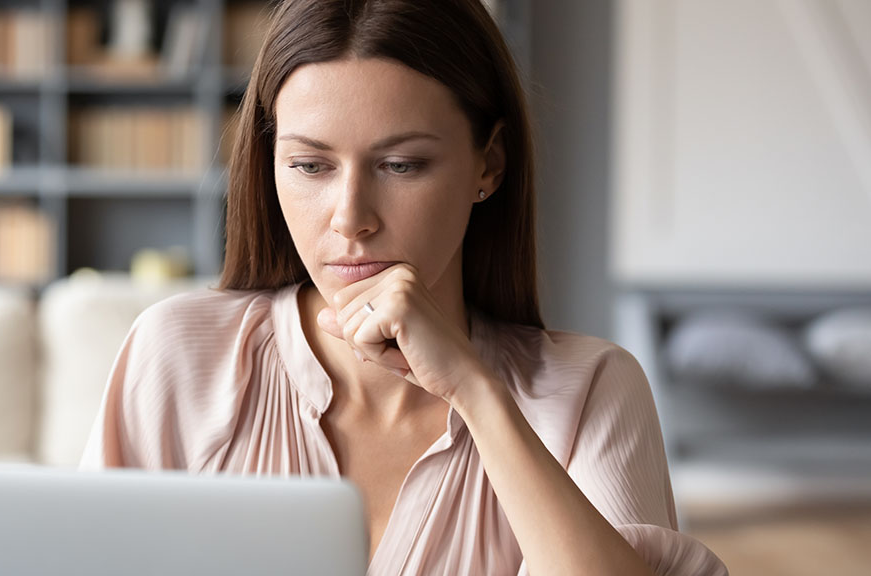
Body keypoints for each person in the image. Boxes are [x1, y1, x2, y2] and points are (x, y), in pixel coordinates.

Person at [80, 0, 728, 574]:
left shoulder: (591, 390)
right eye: (309, 165)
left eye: (401, 165)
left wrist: (475, 392)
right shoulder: (180, 357)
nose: (350, 217)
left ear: (489, 164)